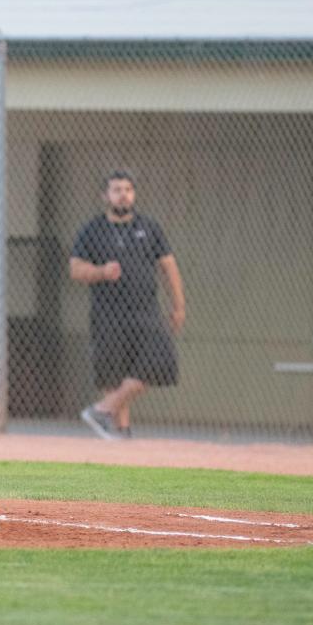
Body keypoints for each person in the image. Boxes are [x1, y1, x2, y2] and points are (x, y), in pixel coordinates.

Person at [70, 170, 185, 441]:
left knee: (159, 362)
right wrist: (101, 272)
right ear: (105, 195)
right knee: (113, 374)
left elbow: (168, 267)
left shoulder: (149, 227)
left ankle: (101, 410)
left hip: (145, 310)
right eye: (117, 189)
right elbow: (75, 269)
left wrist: (178, 305)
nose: (123, 194)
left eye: (128, 189)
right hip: (107, 313)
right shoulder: (93, 230)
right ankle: (120, 432)